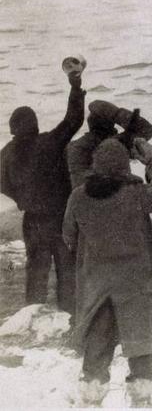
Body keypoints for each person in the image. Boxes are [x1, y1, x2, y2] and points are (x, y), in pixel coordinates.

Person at [62, 138, 152, 407]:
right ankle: (141, 399)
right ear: (124, 166)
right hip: (135, 279)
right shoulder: (136, 194)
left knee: (97, 341)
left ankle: (92, 398)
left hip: (97, 282)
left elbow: (68, 236)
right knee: (138, 339)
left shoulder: (78, 196)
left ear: (96, 165)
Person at [0, 56, 86, 313]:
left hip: (32, 221)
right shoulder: (48, 143)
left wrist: (19, 197)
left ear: (13, 127)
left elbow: (1, 183)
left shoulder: (5, 153)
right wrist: (75, 86)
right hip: (59, 218)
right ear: (34, 124)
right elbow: (73, 120)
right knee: (66, 270)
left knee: (35, 272)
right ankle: (69, 317)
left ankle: (31, 317)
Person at [66, 98, 152, 186]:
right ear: (112, 126)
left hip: (83, 196)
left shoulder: (72, 147)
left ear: (90, 124)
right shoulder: (117, 143)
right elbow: (146, 129)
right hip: (117, 194)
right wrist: (115, 113)